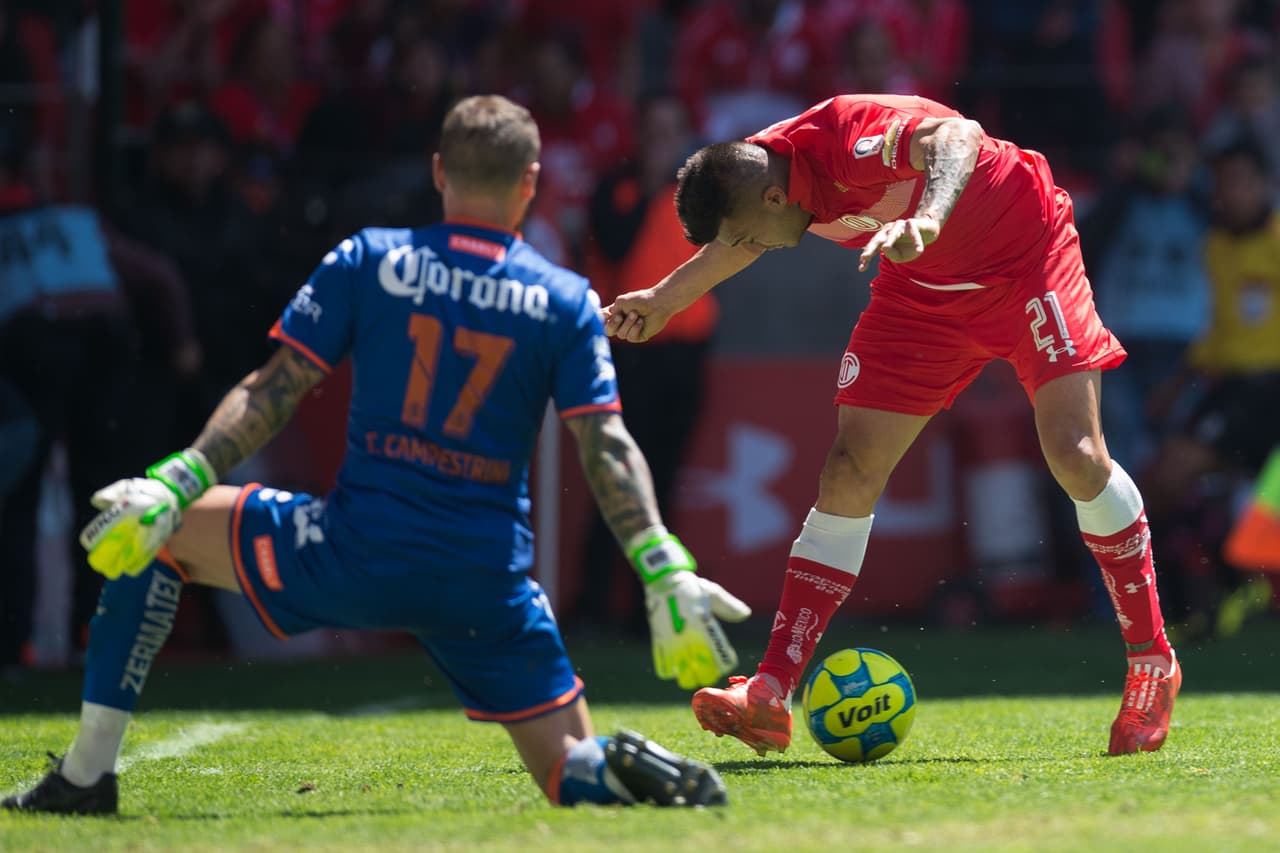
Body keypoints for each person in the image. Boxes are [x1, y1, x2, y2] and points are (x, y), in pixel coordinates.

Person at [3, 95, 749, 815]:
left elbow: (274, 390)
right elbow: (606, 445)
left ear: (437, 172)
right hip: (483, 584)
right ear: (530, 183)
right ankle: (612, 765)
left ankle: (86, 772)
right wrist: (661, 564)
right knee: (565, 770)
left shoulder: (370, 259)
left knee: (158, 536)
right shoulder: (565, 299)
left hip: (351, 553)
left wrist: (177, 478)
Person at [603, 93, 1182, 757]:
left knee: (1076, 455)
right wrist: (664, 299)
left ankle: (1152, 660)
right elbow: (740, 242)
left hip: (1026, 261)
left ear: (769, 202)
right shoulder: (763, 175)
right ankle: (769, 690)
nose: (745, 249)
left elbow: (957, 135)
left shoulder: (845, 140)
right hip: (921, 291)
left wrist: (929, 217)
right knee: (848, 469)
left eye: (741, 234)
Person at [573, 92, 717, 635]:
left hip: (682, 356)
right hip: (629, 351)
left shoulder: (703, 191)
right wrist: (654, 184)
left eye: (671, 130)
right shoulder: (618, 187)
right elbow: (612, 247)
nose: (662, 141)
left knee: (664, 479)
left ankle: (646, 610)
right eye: (653, 130)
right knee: (616, 479)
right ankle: (592, 604)